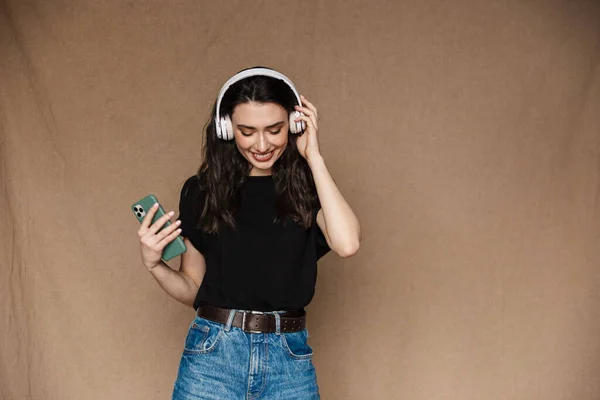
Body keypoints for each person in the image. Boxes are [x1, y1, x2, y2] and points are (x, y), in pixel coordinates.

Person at [136, 67, 361, 399]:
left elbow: (347, 243)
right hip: (212, 357)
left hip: (289, 359)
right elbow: (194, 289)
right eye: (247, 131)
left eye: (274, 129)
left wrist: (313, 155)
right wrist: (155, 265)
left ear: (295, 124)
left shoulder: (309, 189)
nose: (262, 144)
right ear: (226, 128)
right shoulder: (201, 192)